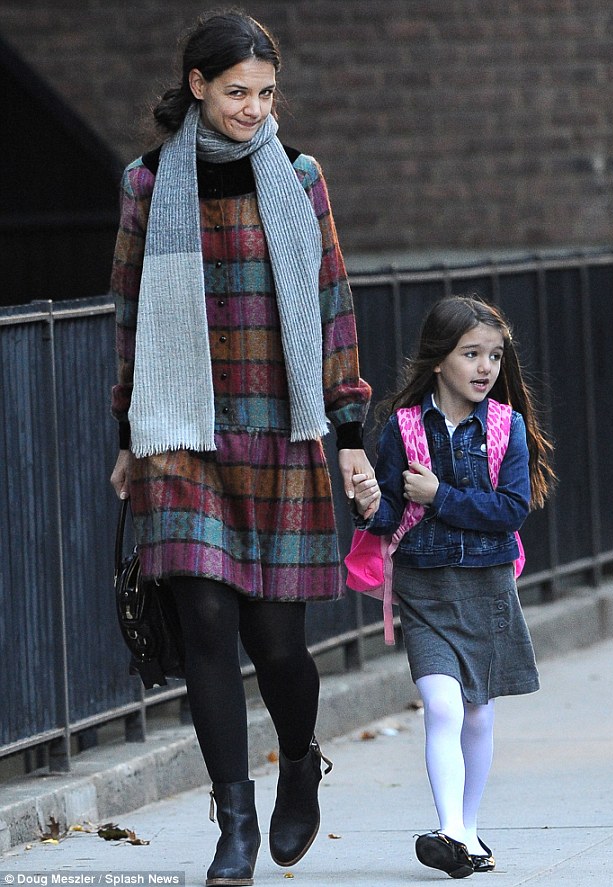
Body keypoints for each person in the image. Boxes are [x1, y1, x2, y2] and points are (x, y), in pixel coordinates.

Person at [109, 10, 376, 886]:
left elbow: (331, 298)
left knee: (279, 645)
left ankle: (298, 758)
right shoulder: (148, 182)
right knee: (208, 622)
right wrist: (127, 433)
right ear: (196, 85)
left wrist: (348, 430)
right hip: (180, 432)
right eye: (236, 93)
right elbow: (129, 315)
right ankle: (234, 821)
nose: (254, 108)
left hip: (278, 424)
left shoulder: (301, 177)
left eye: (265, 93)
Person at [351, 294, 556, 879]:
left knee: (478, 715)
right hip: (424, 588)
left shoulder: (507, 428)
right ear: (440, 360)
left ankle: (467, 828)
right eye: (472, 354)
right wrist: (370, 505)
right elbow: (389, 511)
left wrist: (439, 496)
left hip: (488, 589)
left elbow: (511, 509)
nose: (486, 367)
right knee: (442, 705)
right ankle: (447, 831)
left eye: (494, 355)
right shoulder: (402, 427)